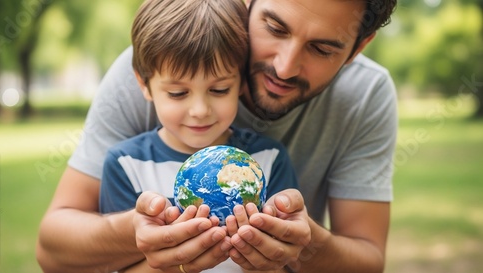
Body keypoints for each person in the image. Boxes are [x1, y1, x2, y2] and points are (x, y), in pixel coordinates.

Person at [36, 0, 398, 272]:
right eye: (274, 27)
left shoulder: (366, 95)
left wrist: (301, 243)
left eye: (322, 48)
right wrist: (141, 233)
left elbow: (367, 261)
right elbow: (52, 249)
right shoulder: (161, 57)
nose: (284, 67)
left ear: (359, 47)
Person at [98, 0, 298, 271]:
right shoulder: (125, 164)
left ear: (241, 82)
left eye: (219, 90)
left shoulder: (269, 160)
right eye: (178, 93)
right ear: (144, 84)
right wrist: (179, 263)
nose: (200, 111)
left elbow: (284, 260)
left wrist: (261, 260)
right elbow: (118, 265)